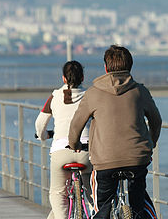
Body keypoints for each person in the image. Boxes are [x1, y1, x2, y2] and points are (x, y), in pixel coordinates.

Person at [68, 45, 162, 218]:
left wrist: (74, 144)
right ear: (130, 66)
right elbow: (156, 121)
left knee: (102, 206)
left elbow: (76, 125)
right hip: (137, 159)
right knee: (139, 203)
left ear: (105, 67)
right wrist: (151, 142)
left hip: (105, 162)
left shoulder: (92, 93)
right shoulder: (140, 91)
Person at [35, 61, 93, 219]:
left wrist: (44, 136)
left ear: (63, 79)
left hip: (61, 152)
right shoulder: (90, 95)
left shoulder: (55, 96)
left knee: (58, 194)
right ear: (82, 77)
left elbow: (39, 123)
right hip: (86, 151)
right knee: (93, 195)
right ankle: (94, 212)